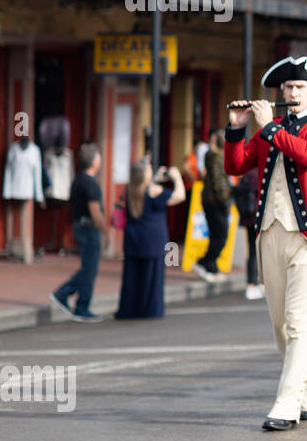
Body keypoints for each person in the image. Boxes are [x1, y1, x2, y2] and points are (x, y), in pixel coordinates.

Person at [226, 56, 307, 432]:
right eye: (288, 87)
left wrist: (266, 129)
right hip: (270, 233)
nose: (292, 93)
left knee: (298, 323)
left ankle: (287, 403)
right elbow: (236, 165)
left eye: (300, 87)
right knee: (280, 325)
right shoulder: (273, 126)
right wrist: (236, 129)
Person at [115, 160, 186, 319]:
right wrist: (176, 177)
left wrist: (154, 178)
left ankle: (129, 310)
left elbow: (141, 184)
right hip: (153, 241)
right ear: (145, 175)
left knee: (132, 279)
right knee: (152, 279)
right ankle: (149, 310)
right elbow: (180, 196)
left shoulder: (128, 190)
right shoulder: (155, 191)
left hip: (133, 240)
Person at [49, 143, 108, 322]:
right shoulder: (90, 184)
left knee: (87, 267)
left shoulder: (78, 180)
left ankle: (64, 294)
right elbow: (95, 211)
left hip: (80, 226)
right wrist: (105, 231)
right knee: (90, 268)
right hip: (88, 227)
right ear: (95, 161)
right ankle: (80, 305)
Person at [195, 129, 232, 283]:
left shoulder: (215, 155)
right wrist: (225, 201)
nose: (226, 138)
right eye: (223, 136)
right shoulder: (215, 156)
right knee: (221, 235)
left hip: (213, 200)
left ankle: (212, 266)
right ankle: (204, 262)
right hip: (215, 202)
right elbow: (219, 183)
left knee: (217, 235)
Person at [232, 167, 263, 299]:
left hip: (247, 218)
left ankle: (251, 283)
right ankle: (256, 283)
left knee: (251, 251)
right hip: (258, 218)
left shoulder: (245, 176)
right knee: (258, 251)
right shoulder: (259, 175)